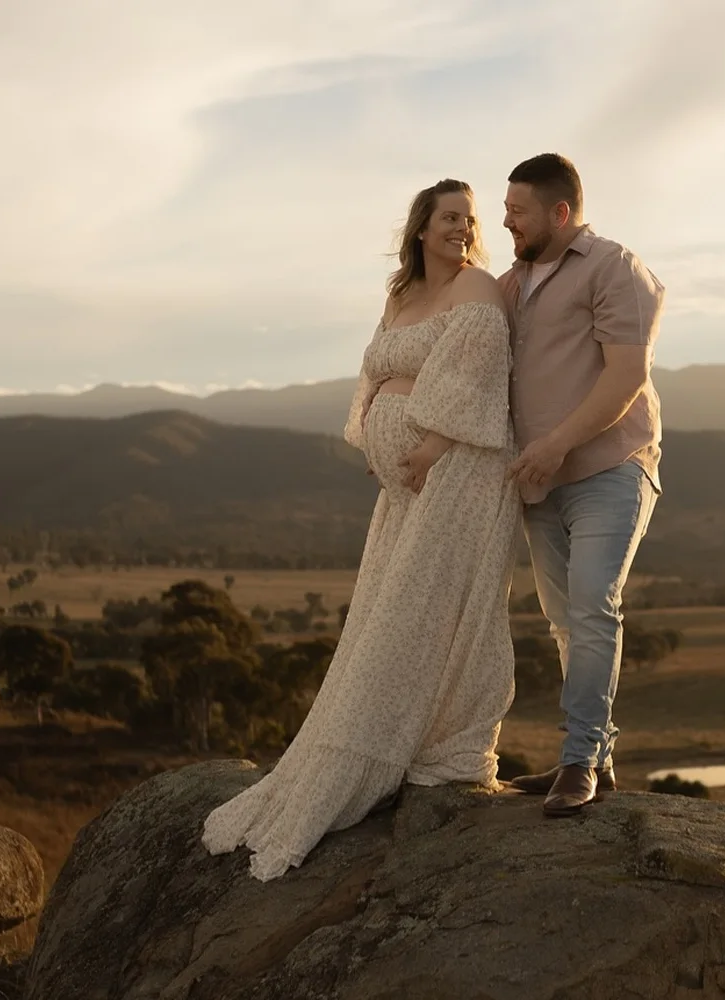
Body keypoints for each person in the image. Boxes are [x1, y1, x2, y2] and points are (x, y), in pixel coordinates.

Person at [202, 179, 522, 880]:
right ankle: (381, 750)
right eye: (448, 218)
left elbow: (479, 385)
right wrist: (381, 447)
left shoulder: (481, 292)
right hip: (406, 488)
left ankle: (427, 748)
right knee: (386, 613)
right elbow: (374, 376)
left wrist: (429, 449)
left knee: (427, 613)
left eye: (468, 219)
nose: (461, 229)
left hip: (458, 478)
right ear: (420, 227)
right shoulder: (400, 297)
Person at [498, 153, 665, 817]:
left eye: (518, 211)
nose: (506, 221)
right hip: (539, 482)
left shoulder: (614, 268)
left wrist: (557, 445)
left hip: (609, 470)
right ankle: (598, 758)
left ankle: (578, 759)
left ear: (559, 212)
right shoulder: (510, 284)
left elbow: (624, 376)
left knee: (595, 605)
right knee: (566, 622)